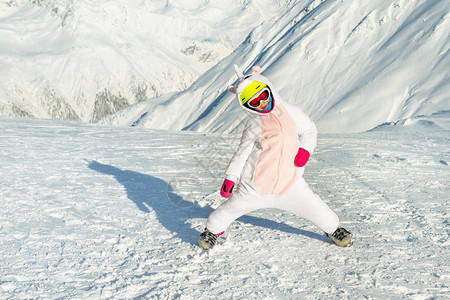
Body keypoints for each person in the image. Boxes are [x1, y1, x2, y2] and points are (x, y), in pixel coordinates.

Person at [199, 65, 351, 249]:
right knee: (229, 209)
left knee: (315, 207)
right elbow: (243, 151)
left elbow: (309, 130)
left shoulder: (291, 111)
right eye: (254, 103)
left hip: (290, 183)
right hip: (254, 187)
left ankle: (334, 229)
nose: (262, 103)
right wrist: (231, 178)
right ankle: (211, 231)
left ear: (269, 89)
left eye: (263, 96)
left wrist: (304, 150)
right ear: (247, 106)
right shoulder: (254, 124)